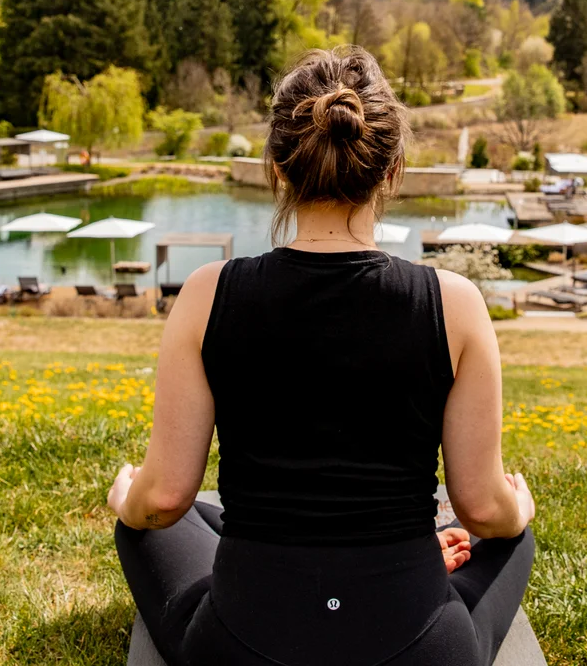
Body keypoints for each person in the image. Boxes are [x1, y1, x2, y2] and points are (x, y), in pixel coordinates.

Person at [110, 46, 536, 666]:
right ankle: (416, 558)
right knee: (512, 534)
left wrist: (128, 497)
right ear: (391, 171)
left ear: (278, 169)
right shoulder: (457, 304)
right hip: (417, 652)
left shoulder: (206, 294)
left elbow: (166, 498)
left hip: (243, 648)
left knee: (157, 522)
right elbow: (479, 506)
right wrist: (510, 509)